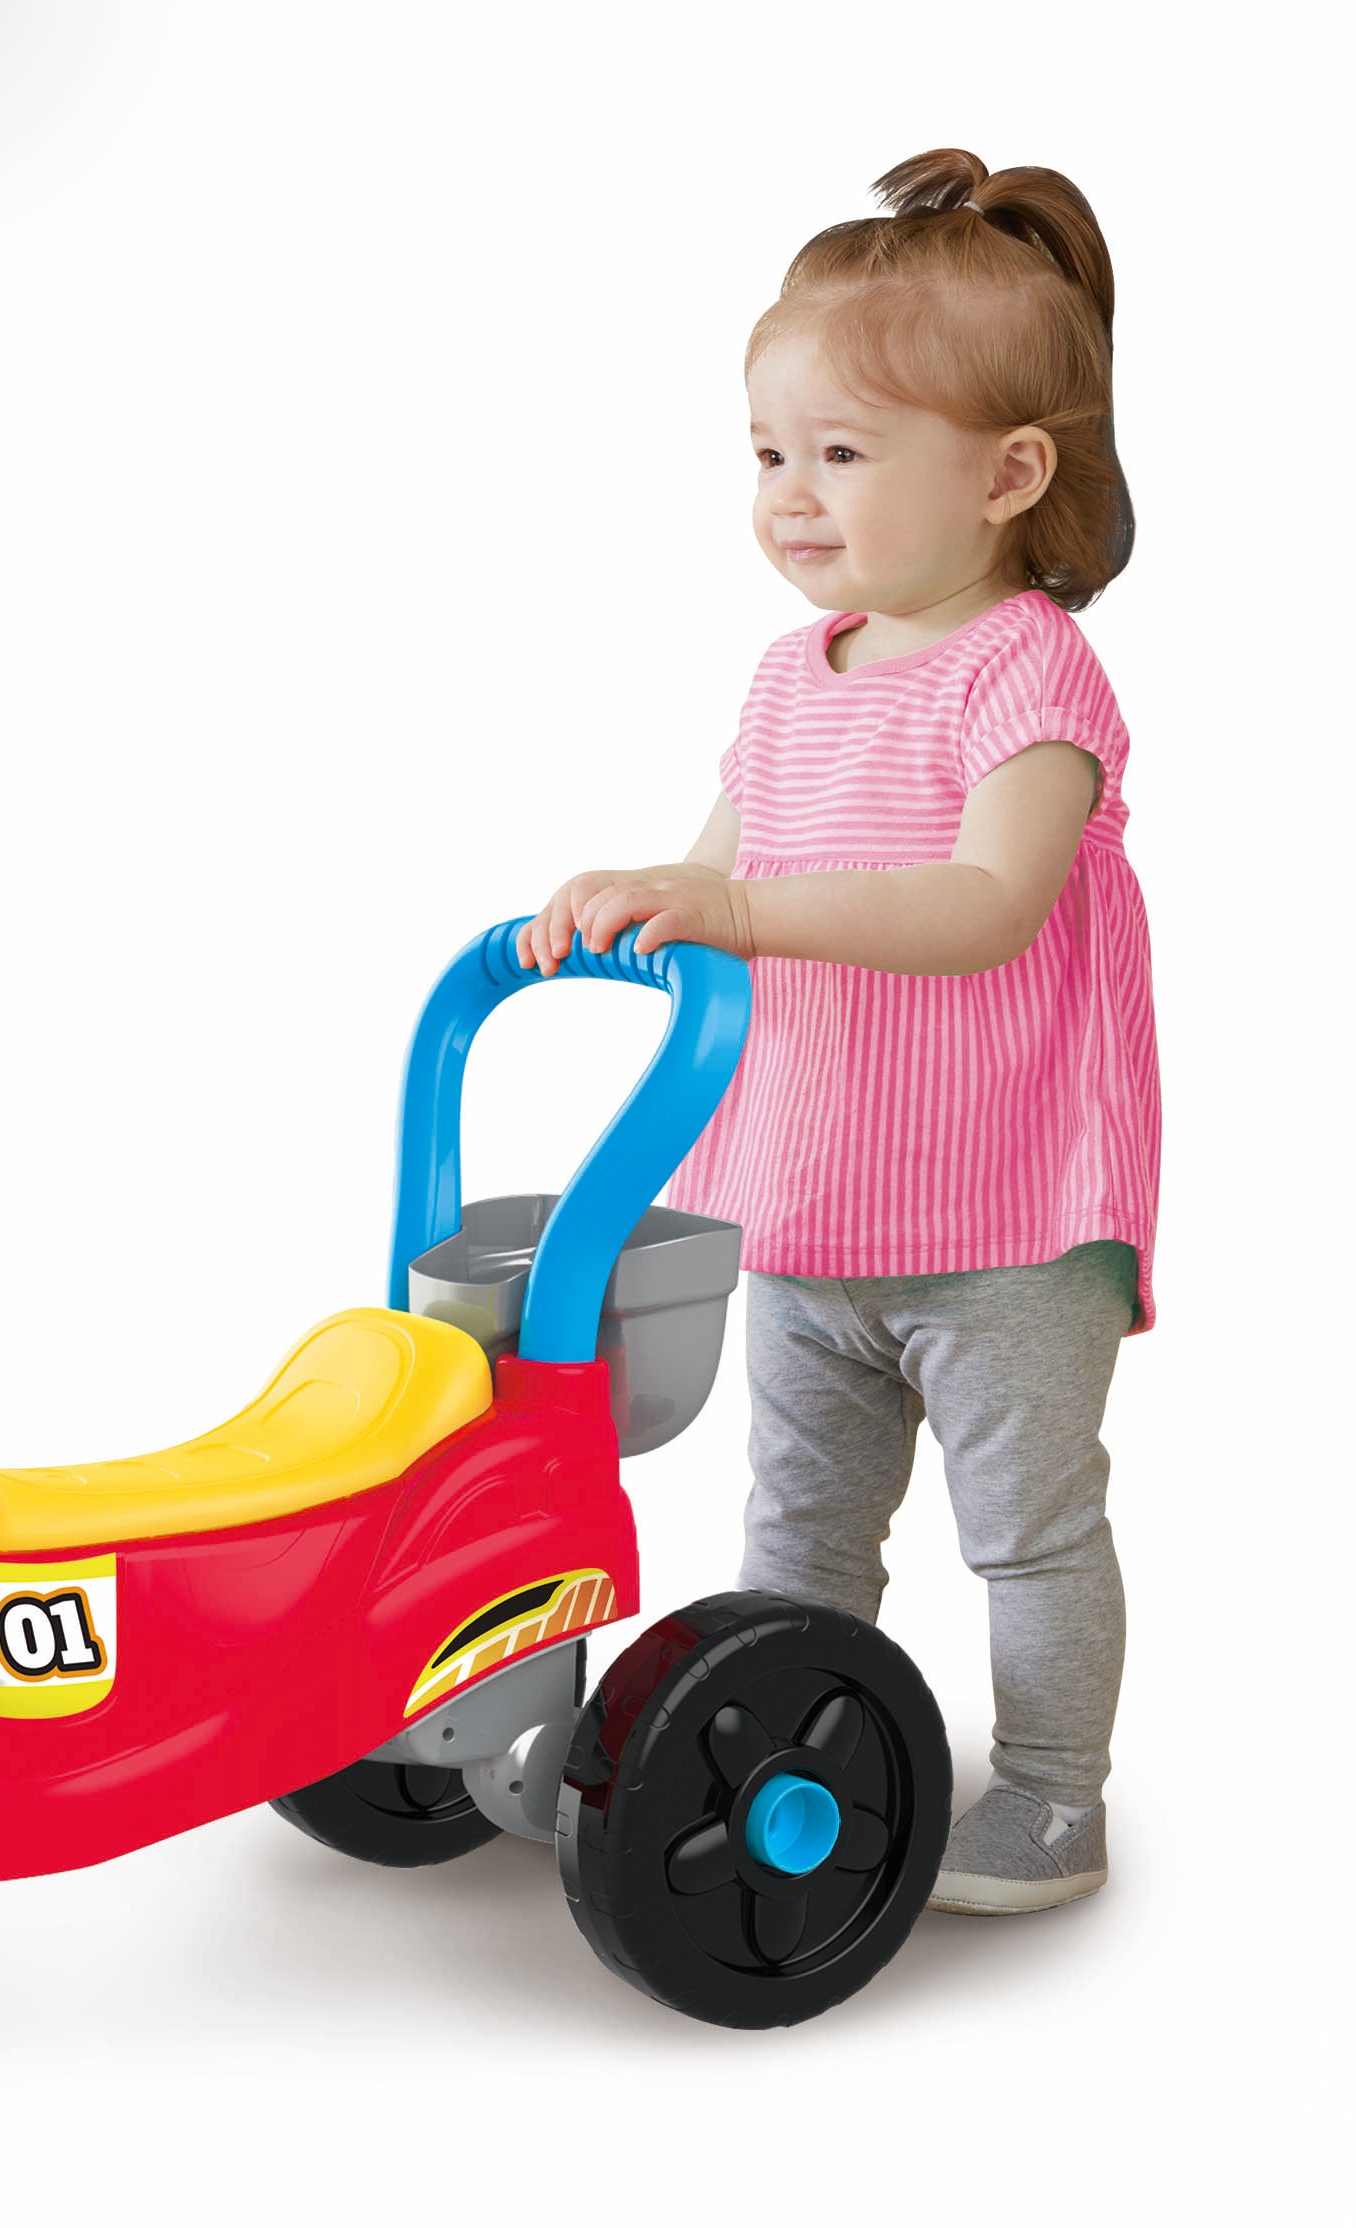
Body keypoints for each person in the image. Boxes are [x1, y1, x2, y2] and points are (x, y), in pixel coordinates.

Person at [520, 149, 1158, 1915]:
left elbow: (984, 904)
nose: (789, 497)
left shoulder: (1026, 671)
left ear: (1007, 476)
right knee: (795, 1530)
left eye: (842, 455)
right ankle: (787, 1758)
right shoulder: (783, 679)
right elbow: (718, 878)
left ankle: (1052, 1800)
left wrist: (733, 908)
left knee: (1026, 1528)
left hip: (1005, 1215)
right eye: (767, 454)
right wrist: (631, 902)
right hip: (809, 1207)